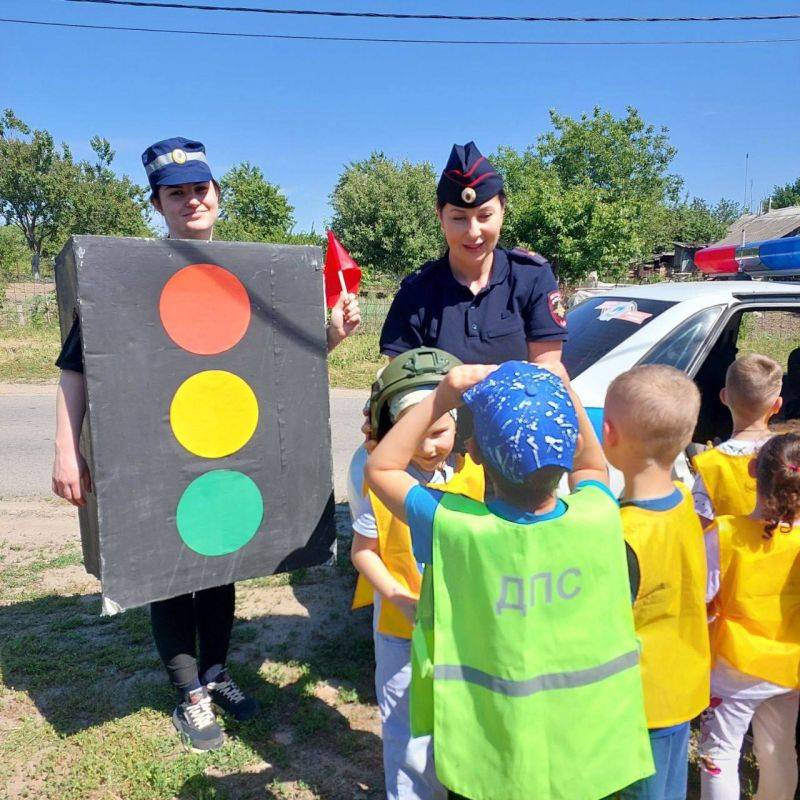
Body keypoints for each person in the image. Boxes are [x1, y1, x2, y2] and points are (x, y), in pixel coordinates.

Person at [51, 137, 360, 752]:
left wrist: (333, 333)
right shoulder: (128, 274)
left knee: (221, 564)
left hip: (224, 448)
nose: (192, 200)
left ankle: (216, 673)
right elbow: (75, 369)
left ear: (217, 197)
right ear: (159, 204)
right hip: (159, 451)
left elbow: (280, 367)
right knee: (167, 572)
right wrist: (66, 448)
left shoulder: (249, 275)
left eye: (200, 188)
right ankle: (189, 693)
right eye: (177, 192)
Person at [365, 360, 653, 800]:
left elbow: (382, 468)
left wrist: (442, 396)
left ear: (474, 450)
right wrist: (564, 388)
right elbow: (592, 467)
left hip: (487, 756)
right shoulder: (598, 516)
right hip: (585, 754)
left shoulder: (455, 527)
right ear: (570, 441)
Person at [348, 347, 484, 800]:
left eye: (441, 431)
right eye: (416, 435)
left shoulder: (476, 468)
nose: (428, 447)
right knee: (407, 728)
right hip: (401, 629)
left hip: (467, 629)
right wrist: (395, 595)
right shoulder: (372, 475)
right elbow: (364, 551)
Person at [603, 365, 709, 800]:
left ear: (608, 433)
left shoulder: (621, 532)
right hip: (680, 687)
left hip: (637, 706)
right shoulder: (684, 501)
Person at [379, 141, 567, 368]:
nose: (473, 232)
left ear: (502, 212)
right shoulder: (415, 293)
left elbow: (547, 375)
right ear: (440, 218)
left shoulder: (532, 278)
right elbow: (403, 390)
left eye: (485, 216)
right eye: (459, 218)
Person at [699, 432, 800, 800]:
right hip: (788, 668)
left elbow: (701, 597)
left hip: (732, 668)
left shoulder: (723, 533)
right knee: (778, 752)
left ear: (754, 470)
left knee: (719, 756)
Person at [692, 354, 783, 530]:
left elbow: (698, 530)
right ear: (777, 405)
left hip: (730, 556)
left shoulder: (710, 465)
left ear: (724, 397)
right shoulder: (790, 453)